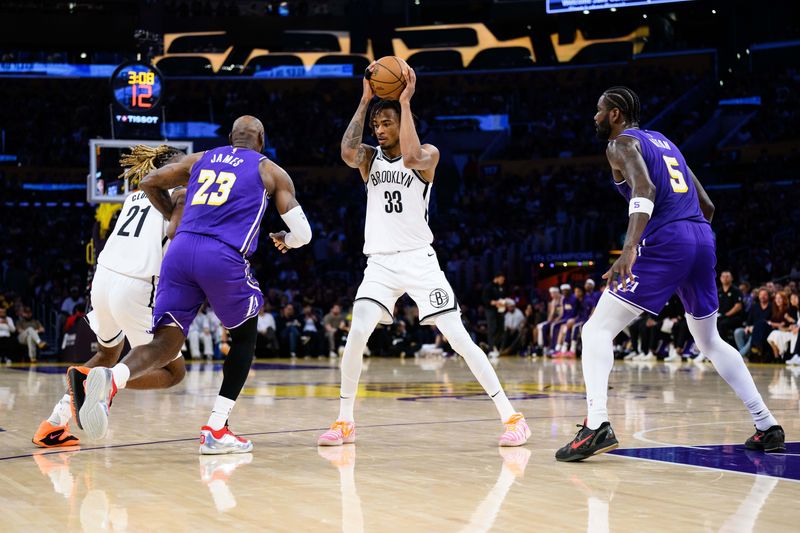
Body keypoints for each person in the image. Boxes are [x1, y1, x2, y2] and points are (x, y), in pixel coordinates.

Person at [556, 86, 784, 462]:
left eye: (598, 111)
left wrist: (631, 248)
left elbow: (643, 189)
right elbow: (707, 205)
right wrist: (691, 247)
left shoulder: (619, 145)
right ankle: (767, 424)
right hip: (700, 235)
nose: (594, 117)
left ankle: (597, 424)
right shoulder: (665, 142)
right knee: (709, 340)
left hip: (668, 238)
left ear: (615, 114)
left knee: (595, 330)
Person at [319, 62, 529, 447]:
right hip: (380, 262)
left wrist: (405, 101)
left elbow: (413, 157)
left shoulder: (428, 153)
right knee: (356, 335)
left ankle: (512, 417)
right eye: (377, 125)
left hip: (418, 260)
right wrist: (366, 101)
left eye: (386, 123)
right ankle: (344, 422)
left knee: (459, 339)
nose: (379, 130)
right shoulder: (369, 158)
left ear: (402, 121)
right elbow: (348, 151)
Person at [74, 116, 312, 454]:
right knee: (244, 336)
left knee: (166, 343)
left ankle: (114, 378)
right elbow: (304, 235)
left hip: (180, 252)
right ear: (261, 139)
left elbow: (150, 181)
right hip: (222, 256)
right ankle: (217, 427)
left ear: (231, 138)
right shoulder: (270, 170)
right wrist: (285, 238)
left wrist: (172, 211)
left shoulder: (201, 158)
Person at [33, 145, 188, 448]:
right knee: (173, 370)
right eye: (185, 166)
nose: (189, 171)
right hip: (137, 284)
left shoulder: (134, 196)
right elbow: (175, 234)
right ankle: (104, 383)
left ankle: (53, 424)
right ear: (173, 169)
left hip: (103, 279)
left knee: (107, 351)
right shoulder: (180, 195)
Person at [482, 273, 507, 357]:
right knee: (492, 329)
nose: (503, 281)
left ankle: (493, 345)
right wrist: (494, 302)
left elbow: (502, 297)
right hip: (490, 311)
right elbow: (485, 300)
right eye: (502, 279)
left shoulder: (501, 287)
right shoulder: (489, 287)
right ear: (497, 278)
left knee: (501, 329)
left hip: (499, 310)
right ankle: (491, 349)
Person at [717, 271, 744, 346]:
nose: (725, 278)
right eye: (723, 276)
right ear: (720, 279)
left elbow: (738, 307)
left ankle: (725, 346)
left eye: (727, 276)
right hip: (721, 316)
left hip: (734, 317)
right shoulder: (718, 291)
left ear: (732, 278)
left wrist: (726, 315)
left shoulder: (736, 290)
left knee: (722, 324)